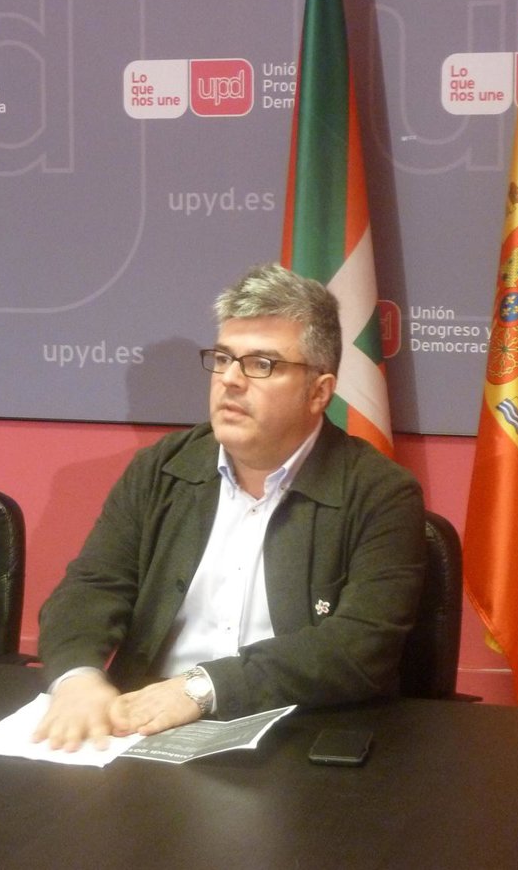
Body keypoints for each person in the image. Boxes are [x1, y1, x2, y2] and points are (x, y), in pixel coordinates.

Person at [33, 263, 425, 750]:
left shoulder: (380, 493)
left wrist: (203, 689)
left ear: (319, 392)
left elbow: (360, 646)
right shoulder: (161, 469)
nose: (231, 380)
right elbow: (90, 587)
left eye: (261, 364)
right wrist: (78, 678)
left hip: (295, 736)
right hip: (142, 729)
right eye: (223, 358)